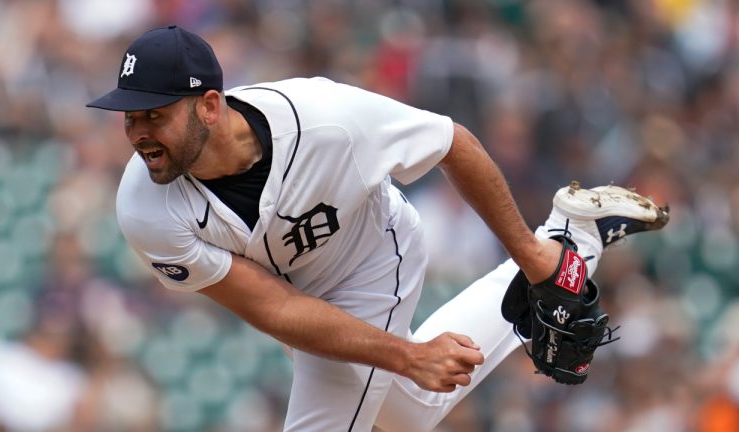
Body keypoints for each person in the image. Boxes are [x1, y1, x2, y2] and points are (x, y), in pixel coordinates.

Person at [86, 25, 669, 431]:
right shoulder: (145, 206)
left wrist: (528, 254)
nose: (137, 132)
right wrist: (406, 357)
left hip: (372, 260)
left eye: (155, 114)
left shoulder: (325, 120)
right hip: (300, 297)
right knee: (412, 410)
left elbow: (452, 143)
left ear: (209, 106)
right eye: (130, 115)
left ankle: (550, 249)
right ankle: (572, 238)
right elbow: (278, 312)